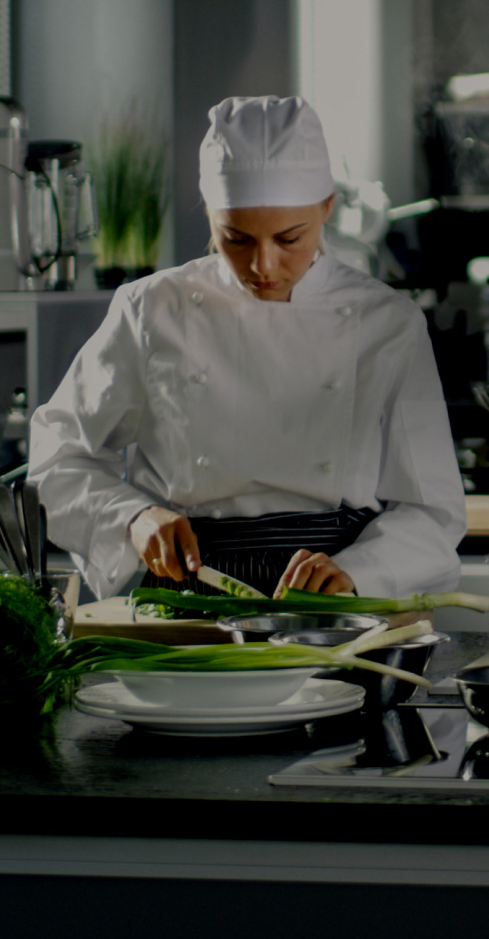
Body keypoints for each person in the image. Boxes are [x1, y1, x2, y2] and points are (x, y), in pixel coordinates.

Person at [30, 96, 465, 600]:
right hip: (187, 591)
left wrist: (361, 573)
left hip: (330, 598)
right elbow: (56, 462)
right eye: (235, 238)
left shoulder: (388, 323)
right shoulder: (151, 309)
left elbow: (433, 510)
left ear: (327, 207)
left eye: (289, 238)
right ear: (210, 213)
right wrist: (132, 516)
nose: (263, 265)